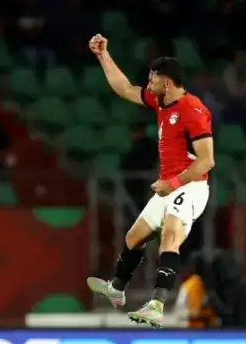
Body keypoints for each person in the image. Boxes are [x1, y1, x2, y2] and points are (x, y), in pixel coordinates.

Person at [85, 33, 215, 328]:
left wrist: (175, 183)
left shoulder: (193, 112)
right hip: (168, 185)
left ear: (167, 82)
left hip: (190, 187)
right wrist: (103, 55)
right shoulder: (160, 102)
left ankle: (156, 306)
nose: (148, 82)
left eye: (153, 78)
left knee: (170, 236)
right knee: (133, 238)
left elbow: (207, 161)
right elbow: (124, 88)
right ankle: (116, 289)